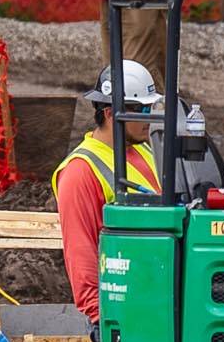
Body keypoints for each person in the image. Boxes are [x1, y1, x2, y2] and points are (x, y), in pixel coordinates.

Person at [54, 60, 163, 324]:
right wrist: (102, 321)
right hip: (123, 311)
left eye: (150, 107)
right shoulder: (80, 171)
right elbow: (81, 253)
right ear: (111, 113)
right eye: (141, 109)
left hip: (153, 297)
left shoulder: (144, 150)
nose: (148, 116)